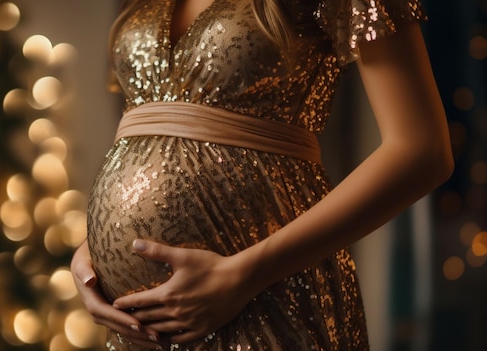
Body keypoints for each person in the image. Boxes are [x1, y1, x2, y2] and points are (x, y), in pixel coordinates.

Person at [71, 0, 454, 349]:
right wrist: (96, 251)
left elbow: (423, 150)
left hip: (266, 295)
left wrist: (243, 275)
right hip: (136, 325)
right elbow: (147, 132)